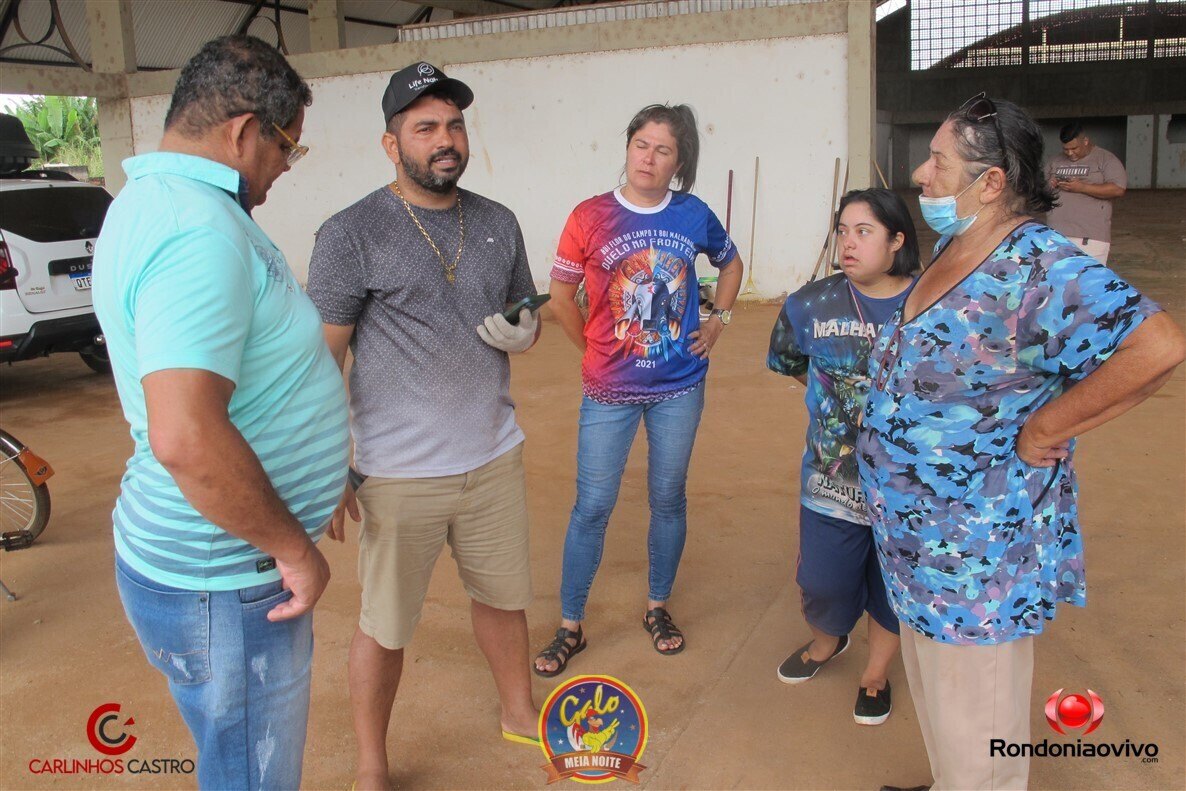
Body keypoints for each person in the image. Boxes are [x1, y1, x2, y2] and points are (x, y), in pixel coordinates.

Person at [860, 93, 1185, 791]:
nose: (921, 173)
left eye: (938, 160)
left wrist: (1049, 424)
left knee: (978, 713)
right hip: (922, 551)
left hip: (976, 557)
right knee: (947, 707)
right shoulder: (959, 244)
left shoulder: (1038, 265)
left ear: (992, 182)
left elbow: (1156, 346)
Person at [92, 35, 348, 790]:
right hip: (228, 579)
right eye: (285, 148)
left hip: (207, 566)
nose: (280, 171)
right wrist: (292, 546)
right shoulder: (196, 231)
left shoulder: (150, 199)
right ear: (244, 132)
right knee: (250, 775)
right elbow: (186, 434)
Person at [305, 62, 540, 791]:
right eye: (426, 127)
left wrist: (524, 330)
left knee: (505, 597)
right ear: (391, 142)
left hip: (493, 456)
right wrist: (328, 462)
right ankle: (372, 764)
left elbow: (525, 308)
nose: (446, 141)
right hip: (397, 473)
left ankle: (518, 710)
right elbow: (322, 359)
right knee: (386, 624)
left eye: (455, 125)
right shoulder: (351, 233)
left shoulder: (498, 221)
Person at [535, 103, 744, 676]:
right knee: (593, 506)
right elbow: (560, 299)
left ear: (680, 162)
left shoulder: (693, 213)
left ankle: (657, 607)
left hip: (679, 387)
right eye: (642, 145)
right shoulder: (590, 216)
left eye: (664, 150)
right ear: (627, 147)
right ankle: (571, 625)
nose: (649, 158)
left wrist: (717, 321)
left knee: (668, 498)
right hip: (608, 391)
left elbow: (730, 264)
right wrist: (595, 351)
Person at [767, 188, 920, 726]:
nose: (848, 243)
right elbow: (788, 359)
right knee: (824, 580)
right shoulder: (809, 303)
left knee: (892, 585)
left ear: (897, 240)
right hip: (832, 479)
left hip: (913, 485)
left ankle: (875, 673)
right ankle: (826, 642)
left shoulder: (936, 300)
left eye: (864, 232)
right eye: (843, 230)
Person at [1045, 121, 1126, 264]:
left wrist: (1082, 187)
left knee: (1088, 282)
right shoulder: (1054, 161)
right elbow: (1038, 192)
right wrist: (1049, 184)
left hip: (1090, 239)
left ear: (1086, 141)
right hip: (1055, 236)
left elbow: (1118, 189)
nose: (1070, 153)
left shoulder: (1105, 159)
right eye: (1066, 149)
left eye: (1074, 148)